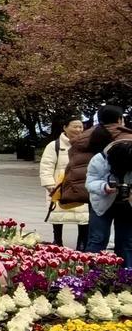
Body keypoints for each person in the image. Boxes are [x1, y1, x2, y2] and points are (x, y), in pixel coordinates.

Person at [60, 104, 130, 246]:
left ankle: (92, 266)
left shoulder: (85, 137)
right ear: (119, 119)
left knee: (96, 238)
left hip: (98, 193)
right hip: (126, 193)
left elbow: (77, 164)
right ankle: (126, 267)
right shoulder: (127, 137)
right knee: (126, 241)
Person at [39, 116, 89, 248]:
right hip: (60, 186)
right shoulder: (54, 146)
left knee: (83, 216)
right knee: (58, 214)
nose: (78, 129)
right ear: (65, 128)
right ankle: (57, 240)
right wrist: (50, 185)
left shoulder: (86, 144)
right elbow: (46, 166)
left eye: (80, 126)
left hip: (81, 185)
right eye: (75, 126)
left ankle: (82, 243)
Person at [86, 137, 132, 267]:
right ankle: (90, 274)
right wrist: (103, 187)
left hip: (128, 205)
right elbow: (89, 183)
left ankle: (127, 275)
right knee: (97, 239)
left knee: (127, 242)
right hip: (102, 203)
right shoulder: (99, 159)